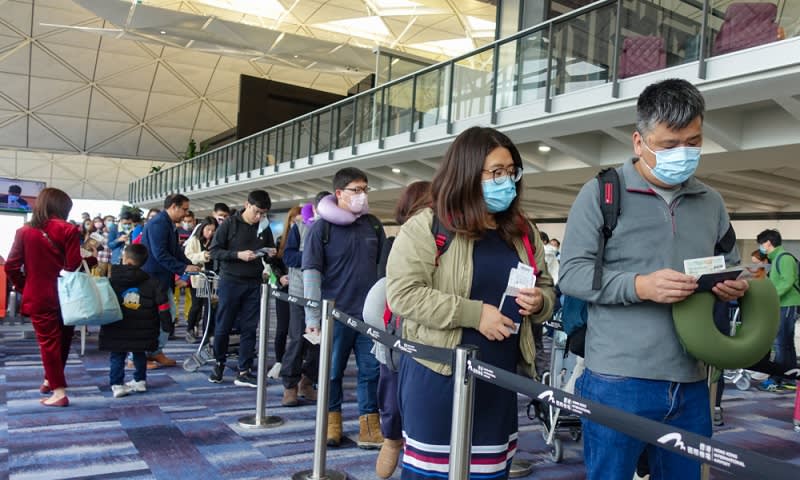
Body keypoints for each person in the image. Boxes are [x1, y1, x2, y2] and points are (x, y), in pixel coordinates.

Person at [558, 78, 747, 480]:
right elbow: (572, 275)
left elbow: (729, 262)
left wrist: (732, 286)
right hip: (617, 378)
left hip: (691, 379)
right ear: (638, 142)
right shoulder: (603, 194)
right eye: (669, 144)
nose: (683, 153)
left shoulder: (711, 202)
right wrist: (639, 286)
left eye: (693, 141)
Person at [386, 127, 555, 479]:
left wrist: (540, 301)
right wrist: (475, 314)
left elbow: (546, 285)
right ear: (466, 171)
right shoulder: (429, 226)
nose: (506, 180)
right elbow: (402, 293)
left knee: (489, 472)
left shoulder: (523, 231)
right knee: (432, 472)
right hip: (440, 374)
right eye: (495, 172)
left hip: (499, 376)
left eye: (511, 171)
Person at [302, 168, 386, 449]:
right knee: (332, 372)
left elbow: (383, 270)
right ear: (339, 193)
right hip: (334, 315)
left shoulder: (372, 225)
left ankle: (369, 425)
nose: (362, 195)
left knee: (371, 372)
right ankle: (331, 422)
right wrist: (313, 317)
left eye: (365, 189)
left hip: (368, 317)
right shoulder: (321, 229)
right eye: (356, 190)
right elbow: (311, 274)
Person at [364, 180, 431, 478]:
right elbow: (387, 290)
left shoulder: (449, 242)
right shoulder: (397, 243)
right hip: (395, 344)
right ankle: (391, 442)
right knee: (391, 404)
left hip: (432, 346)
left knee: (425, 415)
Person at [5, 188, 86, 407]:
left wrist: (25, 286)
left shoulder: (24, 232)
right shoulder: (69, 229)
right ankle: (51, 380)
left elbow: (11, 266)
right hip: (67, 295)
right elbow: (72, 265)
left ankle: (58, 391)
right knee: (64, 339)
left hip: (39, 295)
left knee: (48, 343)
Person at [208, 190, 278, 387]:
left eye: (263, 213)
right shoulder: (229, 224)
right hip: (230, 280)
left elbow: (269, 253)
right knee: (223, 325)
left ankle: (244, 370)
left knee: (249, 327)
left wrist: (270, 253)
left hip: (253, 282)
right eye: (257, 212)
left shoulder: (264, 227)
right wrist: (237, 255)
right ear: (247, 205)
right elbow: (214, 251)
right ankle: (219, 363)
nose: (259, 217)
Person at [100, 244, 172, 398]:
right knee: (139, 353)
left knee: (117, 355)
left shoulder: (112, 279)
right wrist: (167, 325)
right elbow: (163, 305)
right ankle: (140, 381)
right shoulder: (153, 281)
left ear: (125, 259)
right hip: (143, 327)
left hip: (117, 326)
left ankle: (117, 384)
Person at [140, 194, 201, 368]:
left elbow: (175, 251)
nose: (186, 213)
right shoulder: (158, 224)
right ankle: (138, 358)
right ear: (173, 206)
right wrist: (183, 269)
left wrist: (189, 265)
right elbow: (160, 254)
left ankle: (155, 351)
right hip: (152, 279)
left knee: (167, 315)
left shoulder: (169, 224)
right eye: (184, 209)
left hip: (162, 279)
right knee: (151, 318)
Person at [279, 194, 329, 407]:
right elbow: (288, 256)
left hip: (327, 295)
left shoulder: (337, 228)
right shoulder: (299, 228)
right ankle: (290, 386)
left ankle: (307, 382)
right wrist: (312, 257)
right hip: (301, 292)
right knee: (299, 339)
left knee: (321, 344)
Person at [755, 229, 800, 391]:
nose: (761, 247)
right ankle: (789, 377)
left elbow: (787, 282)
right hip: (784, 304)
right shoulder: (777, 259)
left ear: (768, 243)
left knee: (780, 343)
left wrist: (771, 296)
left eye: (761, 243)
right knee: (786, 344)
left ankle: (777, 378)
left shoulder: (784, 258)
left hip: (787, 305)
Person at [268, 206, 302, 382]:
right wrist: (281, 277)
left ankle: (299, 365)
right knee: (282, 327)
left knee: (298, 330)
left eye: (300, 220)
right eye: (294, 220)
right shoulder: (281, 240)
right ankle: (280, 362)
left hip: (302, 290)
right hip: (284, 289)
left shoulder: (308, 239)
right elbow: (273, 264)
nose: (297, 223)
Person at [183, 216, 218, 343]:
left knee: (210, 306)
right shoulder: (194, 240)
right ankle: (190, 328)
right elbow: (188, 256)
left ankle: (208, 333)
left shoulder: (216, 241)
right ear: (202, 228)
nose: (210, 233)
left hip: (212, 278)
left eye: (213, 230)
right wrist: (203, 255)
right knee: (196, 305)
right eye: (208, 229)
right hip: (199, 278)